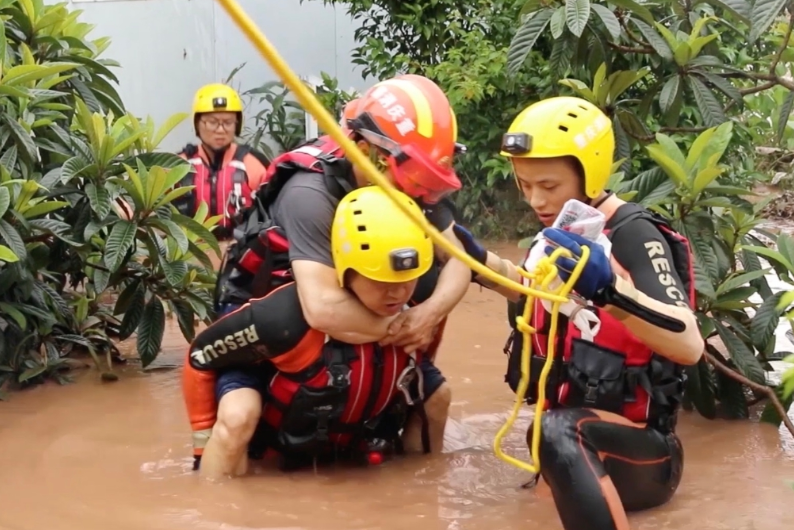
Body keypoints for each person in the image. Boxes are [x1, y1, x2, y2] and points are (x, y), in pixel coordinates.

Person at [450, 96, 704, 530]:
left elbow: (689, 342)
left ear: (591, 173)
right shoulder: (562, 233)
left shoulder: (634, 236)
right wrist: (479, 264)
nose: (535, 199)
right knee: (547, 440)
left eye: (548, 186)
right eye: (525, 184)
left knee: (557, 433)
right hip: (574, 437)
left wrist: (611, 293)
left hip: (643, 451)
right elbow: (534, 293)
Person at [183, 187, 451, 478]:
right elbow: (200, 355)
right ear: (345, 269)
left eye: (408, 279)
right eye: (381, 280)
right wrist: (201, 449)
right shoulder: (287, 317)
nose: (398, 292)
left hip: (353, 419)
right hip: (278, 425)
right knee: (237, 416)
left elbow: (431, 338)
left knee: (439, 396)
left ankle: (419, 483)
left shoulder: (424, 292)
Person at [173, 83, 270, 238]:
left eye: (228, 122)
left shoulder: (254, 165)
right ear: (197, 123)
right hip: (188, 255)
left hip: (240, 255)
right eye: (212, 122)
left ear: (237, 125)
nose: (220, 130)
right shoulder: (178, 166)